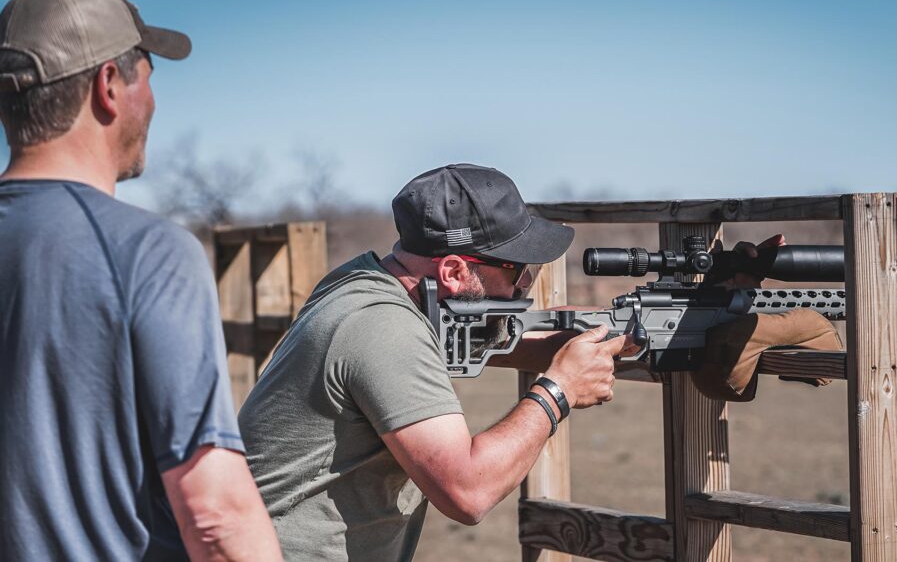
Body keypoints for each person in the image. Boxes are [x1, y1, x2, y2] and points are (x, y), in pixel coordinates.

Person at [0, 0, 281, 560]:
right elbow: (215, 512)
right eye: (148, 77)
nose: (152, 101)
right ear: (109, 85)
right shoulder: (146, 254)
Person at [238, 163, 628, 561]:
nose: (525, 284)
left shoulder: (367, 284)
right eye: (518, 270)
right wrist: (558, 390)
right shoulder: (384, 327)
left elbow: (520, 334)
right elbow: (468, 492)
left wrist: (625, 328)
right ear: (454, 271)